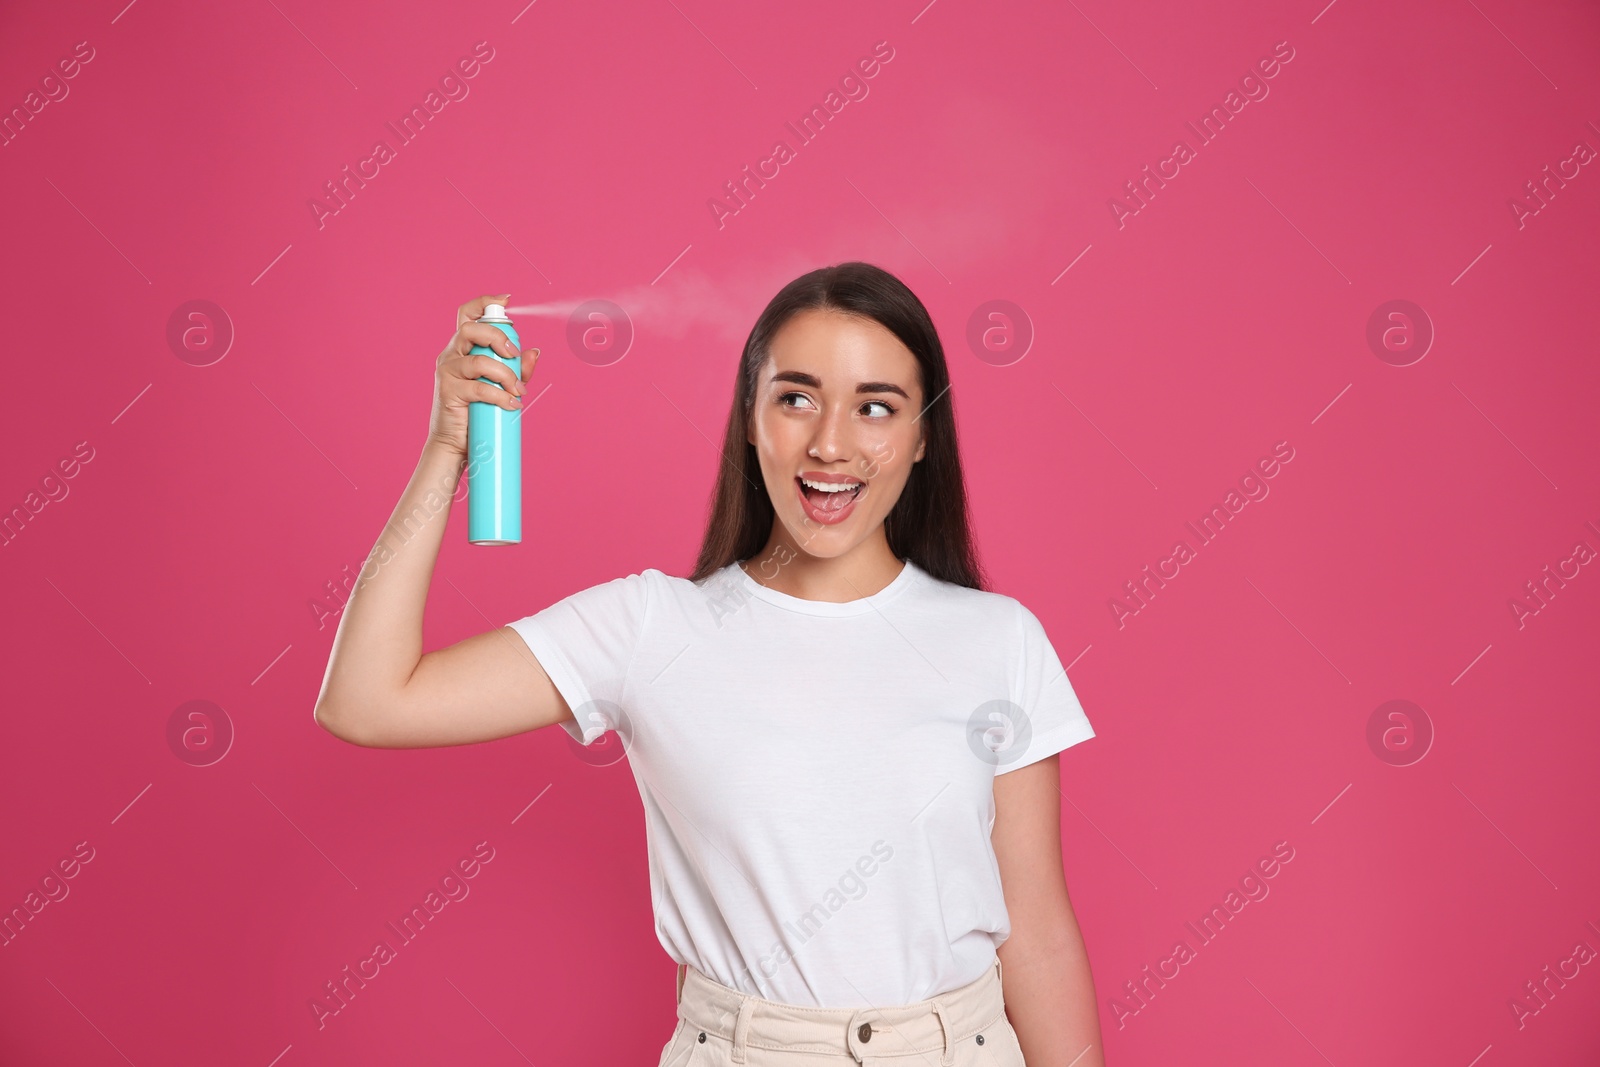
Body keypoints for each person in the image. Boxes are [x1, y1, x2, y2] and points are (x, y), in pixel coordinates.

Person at [314, 262, 1106, 1066]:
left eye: (875, 407)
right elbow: (368, 700)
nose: (831, 443)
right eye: (796, 398)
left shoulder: (999, 639)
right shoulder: (651, 627)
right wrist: (448, 445)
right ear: (751, 419)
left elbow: (1037, 931)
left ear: (923, 432)